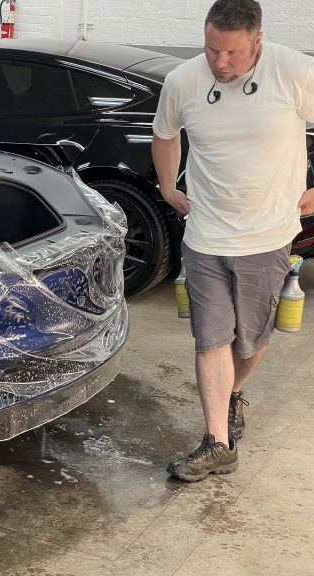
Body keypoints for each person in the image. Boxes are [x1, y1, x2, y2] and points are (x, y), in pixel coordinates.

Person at [152, 0, 314, 482]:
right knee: (211, 337)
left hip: (267, 235)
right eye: (211, 49)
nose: (220, 63)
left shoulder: (294, 72)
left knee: (250, 341)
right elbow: (165, 134)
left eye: (232, 53)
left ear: (257, 41)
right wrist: (167, 187)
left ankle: (233, 393)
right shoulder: (182, 80)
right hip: (205, 233)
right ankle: (218, 442)